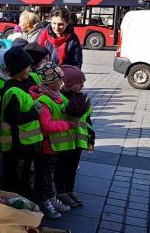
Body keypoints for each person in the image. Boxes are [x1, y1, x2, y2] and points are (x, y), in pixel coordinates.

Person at [29, 62, 78, 219]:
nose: (62, 83)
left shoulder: (57, 96)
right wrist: (68, 124)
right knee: (43, 175)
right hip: (46, 146)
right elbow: (47, 124)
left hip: (56, 145)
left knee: (48, 175)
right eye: (59, 80)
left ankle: (49, 196)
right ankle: (42, 202)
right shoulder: (43, 100)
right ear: (49, 82)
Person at [0, 47, 43, 194]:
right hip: (17, 144)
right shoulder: (14, 91)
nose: (30, 70)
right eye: (28, 67)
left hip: (23, 143)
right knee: (15, 178)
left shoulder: (20, 86)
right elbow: (13, 118)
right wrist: (35, 114)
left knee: (22, 176)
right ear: (18, 69)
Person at [55, 65, 94, 208]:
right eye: (79, 82)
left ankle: (70, 190)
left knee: (72, 167)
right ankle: (61, 192)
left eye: (83, 82)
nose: (82, 85)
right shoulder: (60, 98)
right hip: (64, 140)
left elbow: (88, 121)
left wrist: (91, 136)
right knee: (61, 166)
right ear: (68, 83)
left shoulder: (82, 98)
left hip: (79, 140)